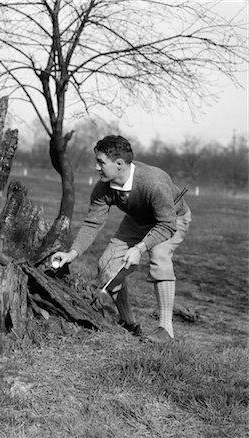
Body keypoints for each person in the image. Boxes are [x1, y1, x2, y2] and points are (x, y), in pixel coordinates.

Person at [51, 135, 191, 343]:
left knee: (159, 254)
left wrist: (140, 248)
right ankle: (130, 323)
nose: (96, 167)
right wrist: (72, 253)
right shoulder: (103, 188)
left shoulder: (154, 183)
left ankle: (166, 331)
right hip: (138, 220)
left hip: (171, 219)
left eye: (101, 162)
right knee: (106, 266)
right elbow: (92, 223)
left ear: (118, 164)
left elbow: (166, 224)